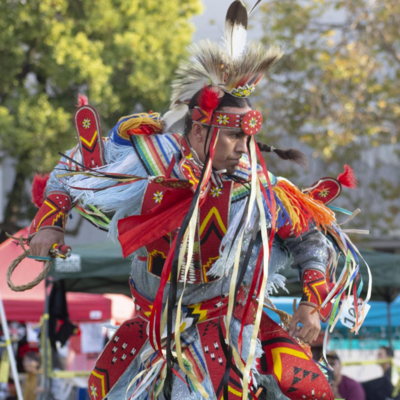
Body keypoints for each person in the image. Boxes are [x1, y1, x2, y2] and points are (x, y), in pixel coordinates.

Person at [27, 1, 366, 399]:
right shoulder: (148, 161)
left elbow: (309, 236)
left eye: (248, 138)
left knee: (307, 389)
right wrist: (51, 222)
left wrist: (311, 303)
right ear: (202, 131)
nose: (245, 147)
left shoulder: (257, 187)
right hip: (150, 330)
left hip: (224, 332)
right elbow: (71, 170)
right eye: (235, 137)